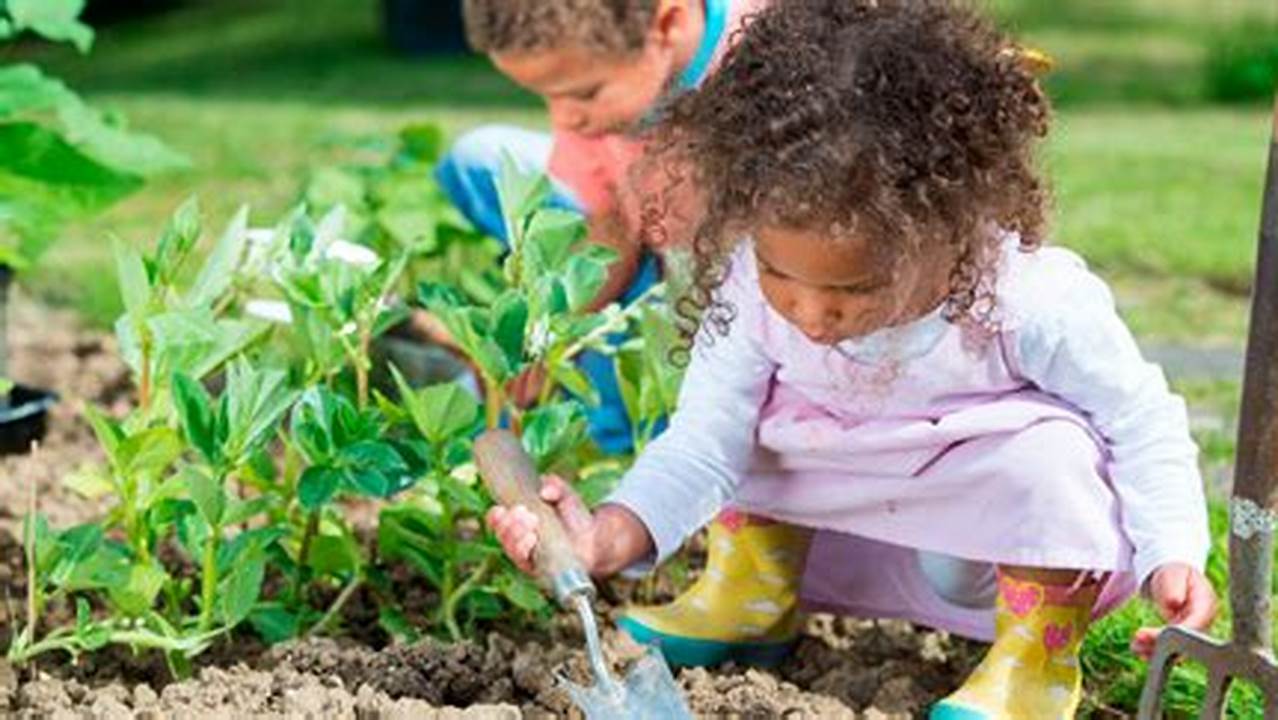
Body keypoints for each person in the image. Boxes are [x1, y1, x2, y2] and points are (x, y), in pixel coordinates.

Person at [487, 1, 1217, 716]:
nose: (809, 312)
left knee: (1055, 455)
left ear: (951, 229)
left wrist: (1172, 552)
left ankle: (1036, 660)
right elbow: (702, 445)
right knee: (751, 424)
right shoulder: (748, 286)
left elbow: (1140, 422)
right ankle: (753, 593)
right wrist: (607, 535)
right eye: (781, 274)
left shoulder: (1030, 297)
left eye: (853, 288)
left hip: (984, 520)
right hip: (845, 493)